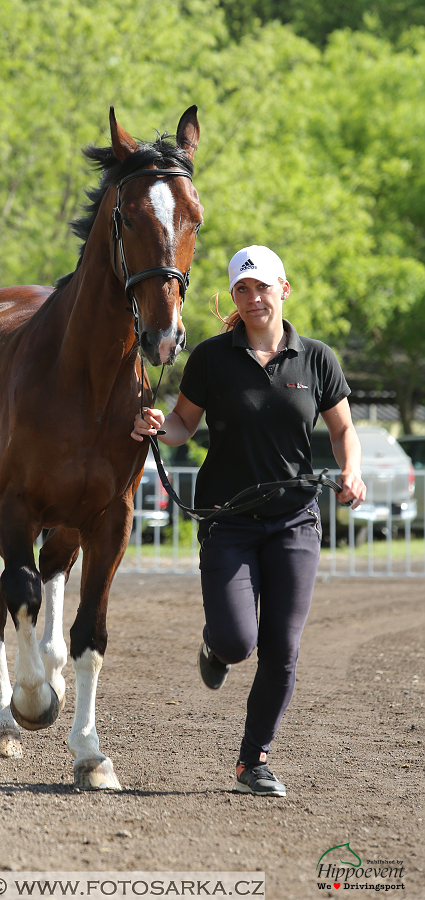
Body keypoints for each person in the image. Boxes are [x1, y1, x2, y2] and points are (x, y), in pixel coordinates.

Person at [131, 245, 366, 797]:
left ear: (283, 289)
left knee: (282, 649)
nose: (254, 297)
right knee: (239, 643)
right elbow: (186, 425)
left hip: (294, 522)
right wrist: (158, 427)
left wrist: (352, 469)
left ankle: (252, 760)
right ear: (233, 298)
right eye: (243, 289)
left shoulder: (316, 359)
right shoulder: (212, 359)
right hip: (228, 520)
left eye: (262, 287)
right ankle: (216, 645)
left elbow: (342, 430)